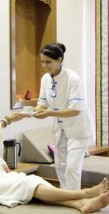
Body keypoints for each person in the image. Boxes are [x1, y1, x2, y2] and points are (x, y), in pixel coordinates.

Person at [0, 90, 109, 213]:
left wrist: (1, 163)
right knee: (27, 185)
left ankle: (80, 204)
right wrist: (6, 121)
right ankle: (83, 193)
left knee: (33, 181)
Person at [34, 42, 95, 190]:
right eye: (42, 61)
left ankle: (75, 198)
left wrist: (49, 113)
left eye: (48, 62)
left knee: (72, 167)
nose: (44, 65)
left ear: (59, 60)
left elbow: (75, 110)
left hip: (78, 130)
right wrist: (31, 112)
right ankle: (66, 197)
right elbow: (42, 104)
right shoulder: (45, 79)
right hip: (61, 129)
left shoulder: (73, 79)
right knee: (61, 166)